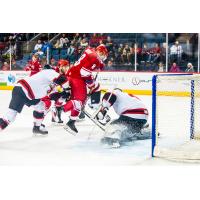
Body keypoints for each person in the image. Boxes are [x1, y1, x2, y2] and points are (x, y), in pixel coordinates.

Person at [0, 65, 67, 134]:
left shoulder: (48, 82)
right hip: (22, 91)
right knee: (10, 116)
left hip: (29, 95)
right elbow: (62, 79)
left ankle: (36, 128)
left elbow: (56, 89)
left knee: (40, 106)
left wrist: (63, 92)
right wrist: (67, 88)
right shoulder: (48, 72)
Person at [63, 44, 108, 135]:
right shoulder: (95, 58)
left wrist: (99, 64)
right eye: (103, 55)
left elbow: (87, 61)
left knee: (94, 88)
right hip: (77, 77)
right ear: (101, 53)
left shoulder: (91, 51)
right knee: (79, 101)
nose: (103, 57)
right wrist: (90, 85)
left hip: (73, 74)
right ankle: (60, 109)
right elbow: (84, 73)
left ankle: (92, 106)